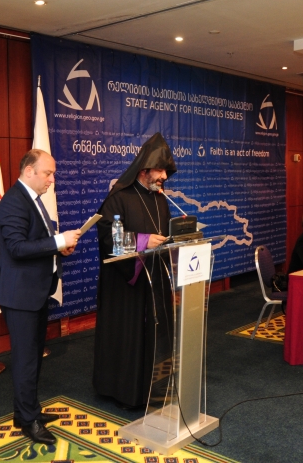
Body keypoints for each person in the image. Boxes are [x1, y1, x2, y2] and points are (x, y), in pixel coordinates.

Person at [0, 149, 81, 445]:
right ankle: (28, 420)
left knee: (33, 357)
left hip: (36, 291)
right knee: (25, 360)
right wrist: (58, 240)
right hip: (20, 295)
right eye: (48, 173)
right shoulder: (12, 202)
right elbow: (17, 248)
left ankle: (27, 412)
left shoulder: (33, 199)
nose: (52, 179)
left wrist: (59, 248)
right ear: (29, 171)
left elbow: (37, 243)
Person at [93, 132, 176, 410]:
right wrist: (142, 241)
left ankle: (152, 386)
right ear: (144, 170)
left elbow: (165, 235)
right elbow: (107, 237)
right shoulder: (119, 198)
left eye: (166, 171)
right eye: (160, 170)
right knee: (127, 336)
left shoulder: (160, 199)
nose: (164, 176)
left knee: (153, 335)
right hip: (125, 285)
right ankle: (122, 391)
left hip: (153, 280)